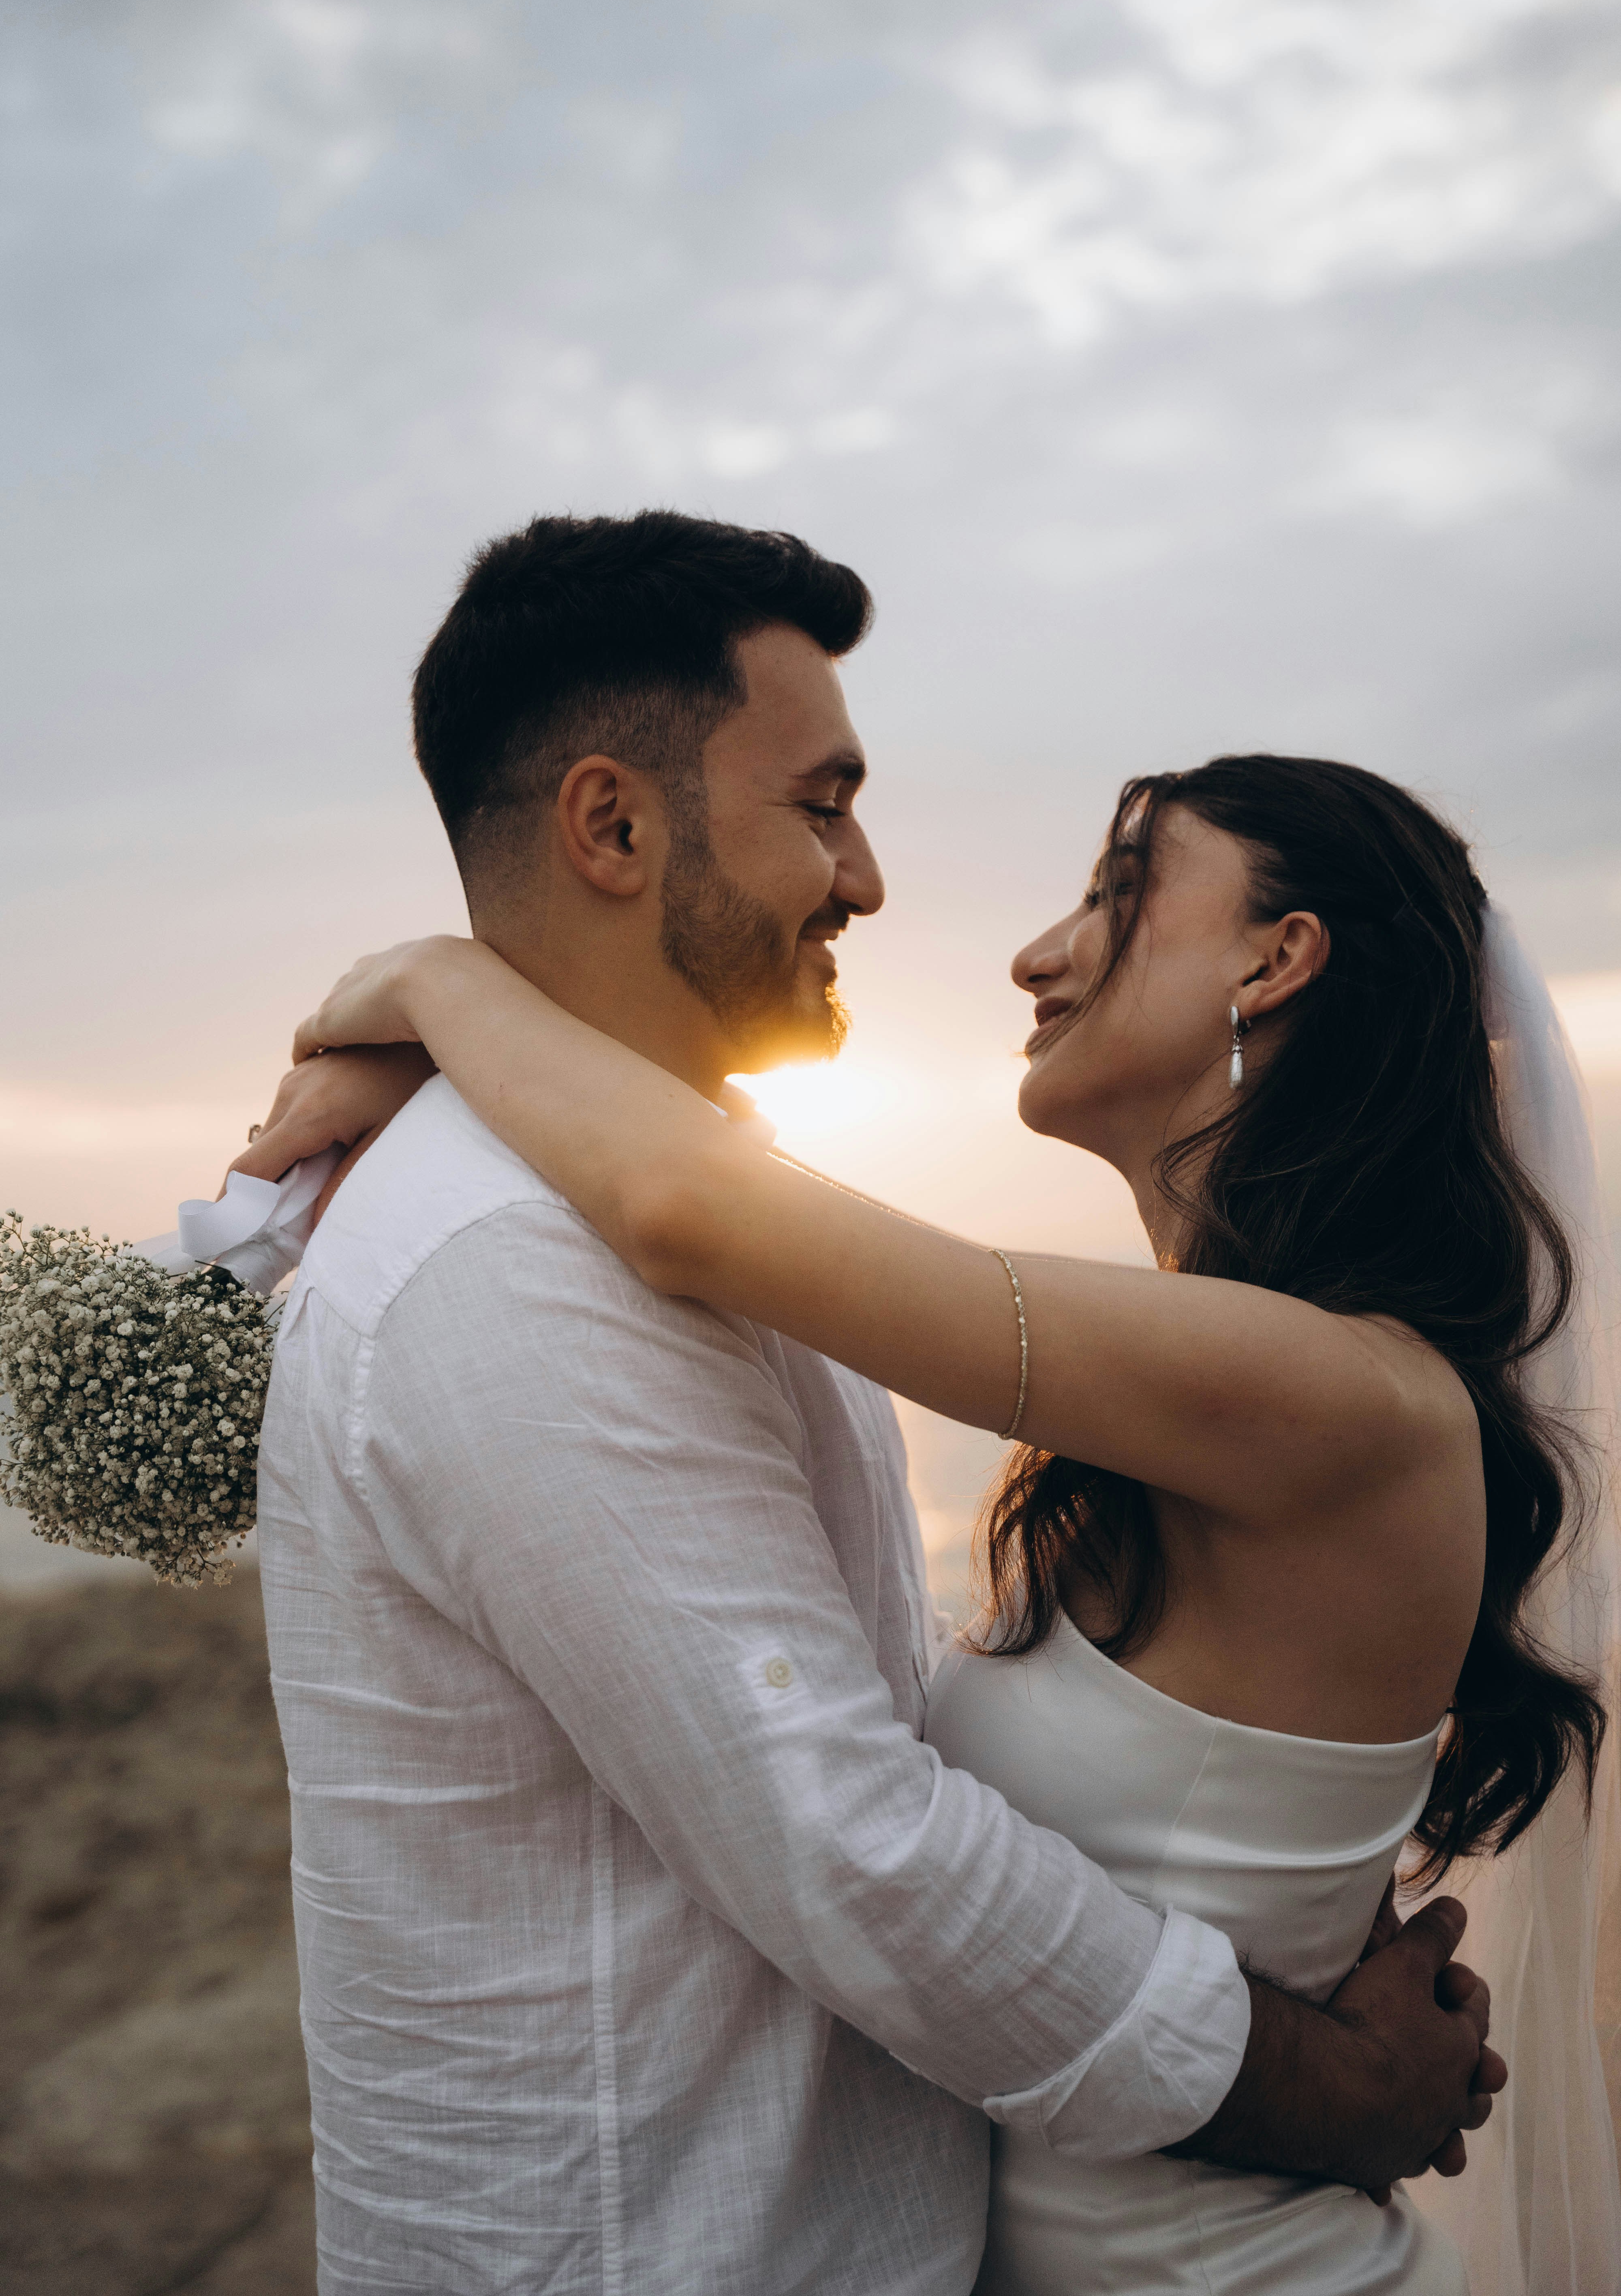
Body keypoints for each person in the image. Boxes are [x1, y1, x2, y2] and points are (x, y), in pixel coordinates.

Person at [241, 513, 1507, 2296]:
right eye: (821, 806)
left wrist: (440, 986)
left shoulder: (1284, 1376)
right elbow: (854, 1839)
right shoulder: (518, 1257)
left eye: (1117, 892)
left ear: (1275, 966)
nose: (876, 883)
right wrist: (1315, 2077)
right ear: (610, 825)